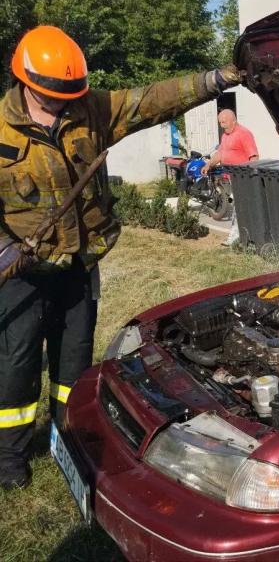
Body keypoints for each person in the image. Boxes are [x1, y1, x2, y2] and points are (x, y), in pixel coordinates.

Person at [0, 25, 240, 490]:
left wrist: (217, 78)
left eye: (70, 92)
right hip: (23, 270)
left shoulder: (92, 108)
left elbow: (154, 99)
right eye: (52, 93)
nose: (62, 102)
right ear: (25, 82)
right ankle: (9, 453)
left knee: (74, 362)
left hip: (79, 264)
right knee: (17, 362)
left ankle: (66, 434)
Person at [202, 109, 258, 245]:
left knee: (239, 208)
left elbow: (254, 157)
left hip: (243, 178)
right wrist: (209, 164)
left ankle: (235, 237)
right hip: (231, 177)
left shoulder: (244, 134)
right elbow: (220, 154)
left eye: (224, 122)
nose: (222, 125)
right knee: (238, 207)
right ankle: (243, 236)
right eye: (220, 122)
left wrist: (249, 176)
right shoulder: (225, 136)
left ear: (234, 120)